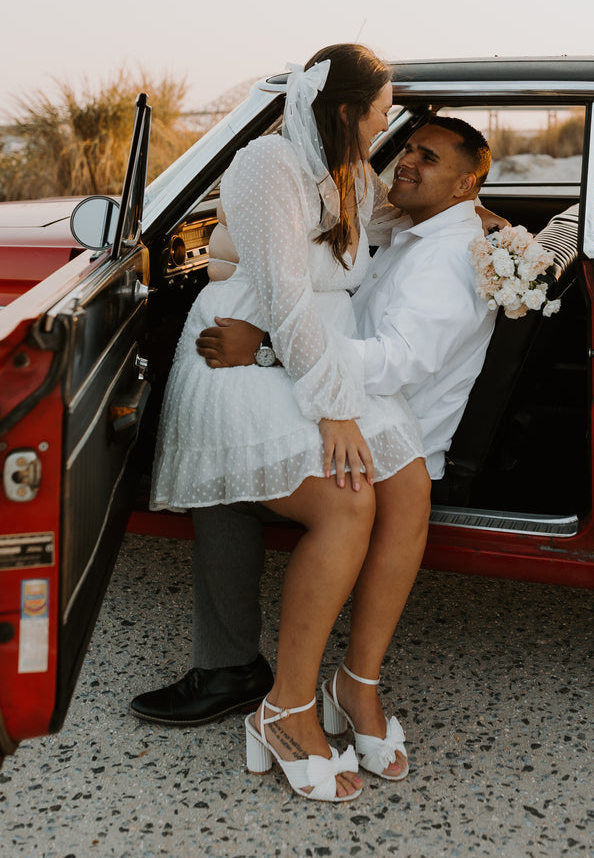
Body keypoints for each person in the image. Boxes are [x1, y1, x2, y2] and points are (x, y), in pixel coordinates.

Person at [135, 102, 500, 794]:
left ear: (463, 187)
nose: (405, 157)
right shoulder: (396, 211)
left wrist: (268, 349)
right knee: (271, 463)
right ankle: (309, 690)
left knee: (356, 492)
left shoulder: (444, 254)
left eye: (427, 155)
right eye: (402, 140)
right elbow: (310, 263)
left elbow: (390, 359)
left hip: (361, 394)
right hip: (321, 377)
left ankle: (312, 691)